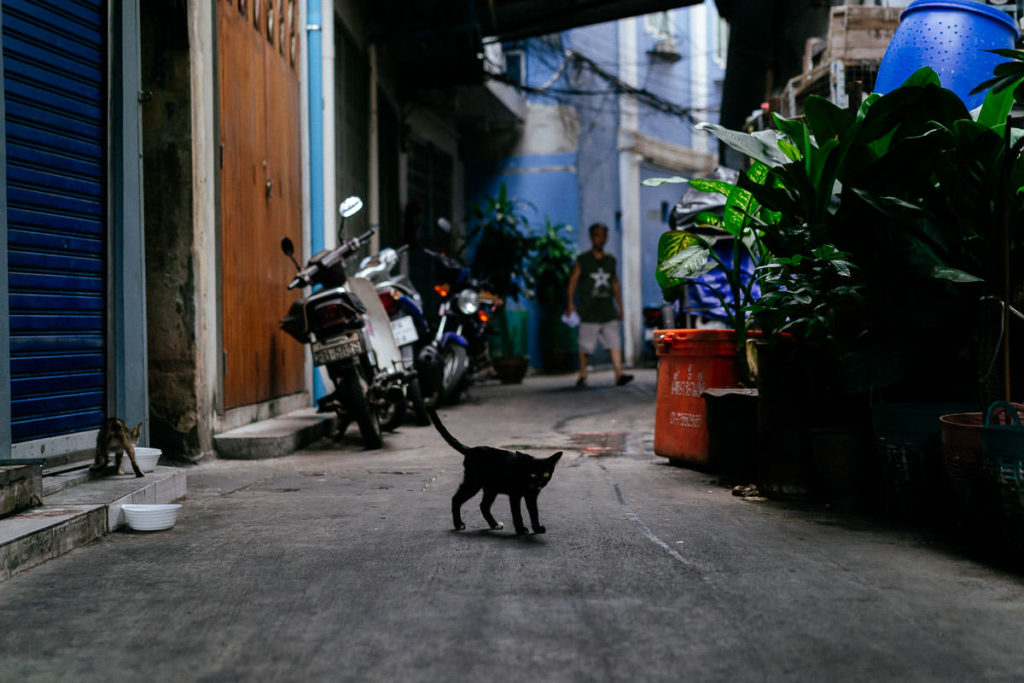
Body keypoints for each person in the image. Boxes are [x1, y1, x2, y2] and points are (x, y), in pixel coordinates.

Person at [565, 222, 633, 388]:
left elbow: (615, 283)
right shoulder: (583, 260)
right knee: (585, 345)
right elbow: (573, 282)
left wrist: (620, 306)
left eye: (603, 235)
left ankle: (619, 373)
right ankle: (582, 375)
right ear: (591, 237)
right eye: (597, 235)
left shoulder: (610, 260)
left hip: (607, 309)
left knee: (614, 342)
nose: (600, 239)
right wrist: (570, 304)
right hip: (588, 310)